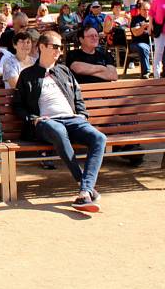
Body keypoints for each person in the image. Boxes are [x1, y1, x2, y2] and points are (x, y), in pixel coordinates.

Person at [13, 31, 106, 212]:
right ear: (41, 47)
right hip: (46, 123)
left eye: (60, 47)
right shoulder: (28, 75)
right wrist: (34, 119)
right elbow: (18, 106)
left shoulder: (64, 71)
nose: (59, 50)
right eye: (55, 46)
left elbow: (78, 97)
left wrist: (82, 115)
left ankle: (85, 192)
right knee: (58, 131)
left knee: (99, 138)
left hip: (72, 120)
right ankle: (84, 185)